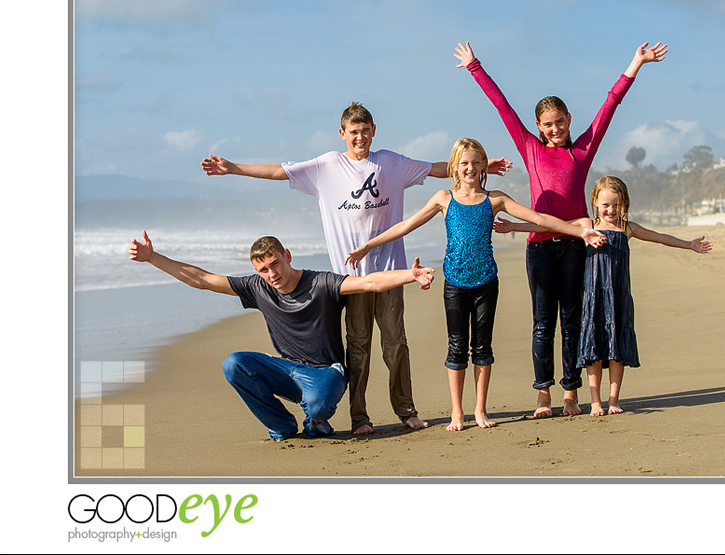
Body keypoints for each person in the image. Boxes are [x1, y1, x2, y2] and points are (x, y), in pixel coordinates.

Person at [200, 102, 511, 435]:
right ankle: (360, 417)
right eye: (353, 132)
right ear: (342, 134)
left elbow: (436, 169)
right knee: (358, 346)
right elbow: (279, 171)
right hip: (351, 279)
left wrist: (476, 167)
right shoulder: (326, 166)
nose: (359, 137)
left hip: (391, 272)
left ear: (373, 131)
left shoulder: (391, 163)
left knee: (395, 344)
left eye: (365, 131)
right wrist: (233, 168)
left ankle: (406, 410)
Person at [455, 40, 667, 419]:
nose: (555, 129)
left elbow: (609, 107)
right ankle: (543, 397)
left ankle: (570, 393)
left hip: (574, 249)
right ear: (538, 127)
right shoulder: (530, 148)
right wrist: (475, 67)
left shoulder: (581, 151)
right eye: (548, 125)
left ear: (569, 119)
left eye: (561, 122)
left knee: (571, 321)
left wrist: (636, 62)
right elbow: (501, 106)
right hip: (538, 249)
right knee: (542, 325)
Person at [346, 138, 605, 431]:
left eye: (475, 162)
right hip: (455, 283)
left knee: (483, 348)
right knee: (456, 348)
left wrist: (578, 232)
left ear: (484, 165)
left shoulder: (495, 199)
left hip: (486, 283)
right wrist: (368, 245)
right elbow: (406, 225)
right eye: (464, 163)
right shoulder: (444, 197)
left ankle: (480, 410)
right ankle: (457, 413)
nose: (470, 168)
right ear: (454, 166)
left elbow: (539, 218)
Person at [128, 231, 435, 441]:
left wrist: (411, 274)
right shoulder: (257, 287)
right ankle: (282, 426)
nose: (271, 273)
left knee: (316, 404)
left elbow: (368, 283)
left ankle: (316, 423)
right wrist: (153, 258)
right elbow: (203, 279)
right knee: (233, 364)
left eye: (275, 263)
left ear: (287, 256)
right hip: (286, 369)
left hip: (325, 373)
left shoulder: (320, 283)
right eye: (263, 269)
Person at [495, 176, 712, 416]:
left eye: (616, 205)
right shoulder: (587, 225)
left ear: (625, 204)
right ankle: (596, 401)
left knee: (617, 346)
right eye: (606, 205)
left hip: (619, 298)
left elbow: (659, 237)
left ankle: (614, 399)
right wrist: (514, 226)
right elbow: (547, 225)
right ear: (595, 202)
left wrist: (688, 244)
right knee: (593, 348)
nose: (611, 210)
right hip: (594, 298)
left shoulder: (627, 228)